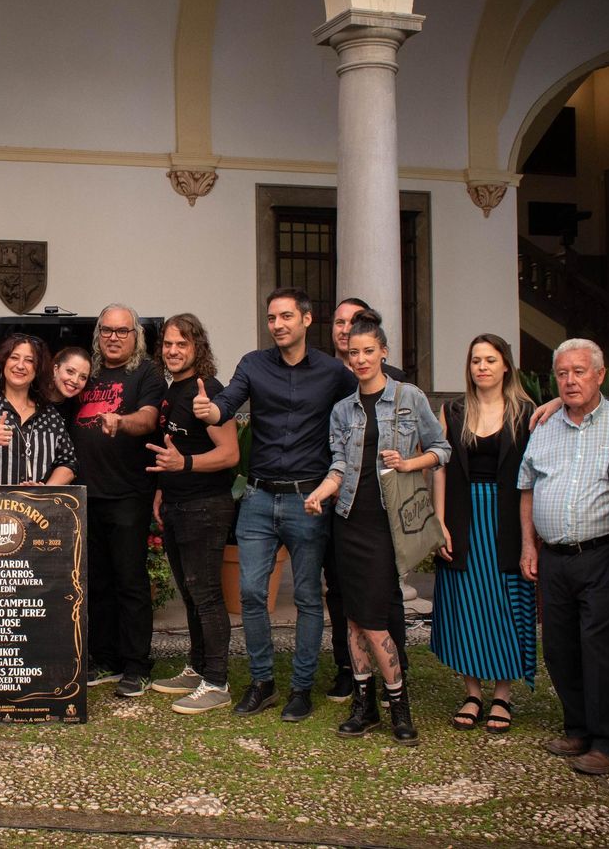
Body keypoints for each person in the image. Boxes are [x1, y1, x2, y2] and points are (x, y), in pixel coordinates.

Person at [194, 288, 355, 721]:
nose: (278, 324)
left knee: (305, 597)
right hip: (259, 497)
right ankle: (262, 682)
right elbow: (227, 404)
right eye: (271, 318)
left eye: (286, 316)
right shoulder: (253, 364)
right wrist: (211, 412)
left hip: (309, 500)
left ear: (306, 320)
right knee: (250, 593)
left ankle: (301, 688)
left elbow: (369, 398)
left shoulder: (332, 372)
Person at [304, 310, 449, 745]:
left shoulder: (409, 398)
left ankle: (399, 707)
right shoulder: (342, 410)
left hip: (389, 525)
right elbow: (339, 466)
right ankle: (364, 706)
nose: (361, 359)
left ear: (383, 352)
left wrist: (409, 462)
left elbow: (442, 450)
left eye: (369, 351)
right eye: (354, 353)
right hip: (349, 520)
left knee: (373, 620)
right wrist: (320, 493)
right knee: (352, 620)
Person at [517, 338, 609, 775]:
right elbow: (526, 485)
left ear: (600, 375)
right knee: (559, 646)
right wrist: (529, 546)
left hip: (601, 554)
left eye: (579, 371)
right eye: (562, 373)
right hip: (554, 558)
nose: (570, 380)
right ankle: (579, 728)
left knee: (600, 649)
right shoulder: (544, 427)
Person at [430, 334, 536, 733]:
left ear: (506, 364)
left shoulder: (526, 412)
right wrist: (439, 520)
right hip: (462, 514)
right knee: (465, 603)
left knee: (506, 602)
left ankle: (503, 696)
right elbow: (438, 466)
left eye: (490, 360)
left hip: (507, 517)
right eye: (476, 360)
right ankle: (472, 691)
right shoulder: (452, 410)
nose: (482, 367)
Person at [144, 314, 240, 714]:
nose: (173, 350)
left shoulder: (208, 391)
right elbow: (174, 449)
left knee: (207, 595)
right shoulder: (173, 390)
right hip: (177, 505)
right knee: (190, 594)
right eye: (167, 344)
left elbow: (229, 454)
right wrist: (164, 488)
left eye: (181, 344)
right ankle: (198, 668)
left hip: (205, 506)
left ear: (197, 347)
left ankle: (217, 681)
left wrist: (182, 466)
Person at [73, 304, 167, 698]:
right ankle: (106, 659)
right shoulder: (86, 372)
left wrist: (119, 420)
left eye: (122, 331)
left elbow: (147, 419)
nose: (114, 337)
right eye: (107, 330)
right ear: (98, 334)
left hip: (128, 493)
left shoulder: (146, 373)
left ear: (136, 336)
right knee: (97, 583)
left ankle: (136, 664)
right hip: (84, 495)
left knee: (129, 581)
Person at [326, 297, 411, 682]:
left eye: (353, 323)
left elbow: (431, 448)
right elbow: (337, 453)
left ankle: (396, 679)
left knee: (383, 598)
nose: (345, 330)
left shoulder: (402, 389)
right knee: (345, 600)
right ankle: (355, 681)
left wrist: (410, 466)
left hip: (385, 512)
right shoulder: (333, 386)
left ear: (380, 349)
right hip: (343, 508)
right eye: (339, 322)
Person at [0, 334, 77, 486]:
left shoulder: (49, 414)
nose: (20, 366)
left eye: (29, 360)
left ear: (38, 369)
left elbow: (68, 463)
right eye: (14, 357)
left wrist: (45, 491)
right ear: (3, 363)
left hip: (36, 509)